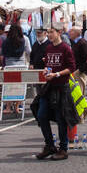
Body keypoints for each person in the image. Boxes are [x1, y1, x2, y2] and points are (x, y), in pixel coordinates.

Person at [33, 24, 76, 160]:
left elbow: (71, 67)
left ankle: (63, 149)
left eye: (51, 32)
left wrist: (57, 74)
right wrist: (47, 70)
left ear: (59, 33)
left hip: (61, 87)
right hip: (49, 87)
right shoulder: (49, 48)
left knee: (61, 118)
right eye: (48, 32)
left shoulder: (65, 48)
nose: (49, 35)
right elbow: (48, 65)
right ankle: (50, 145)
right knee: (41, 114)